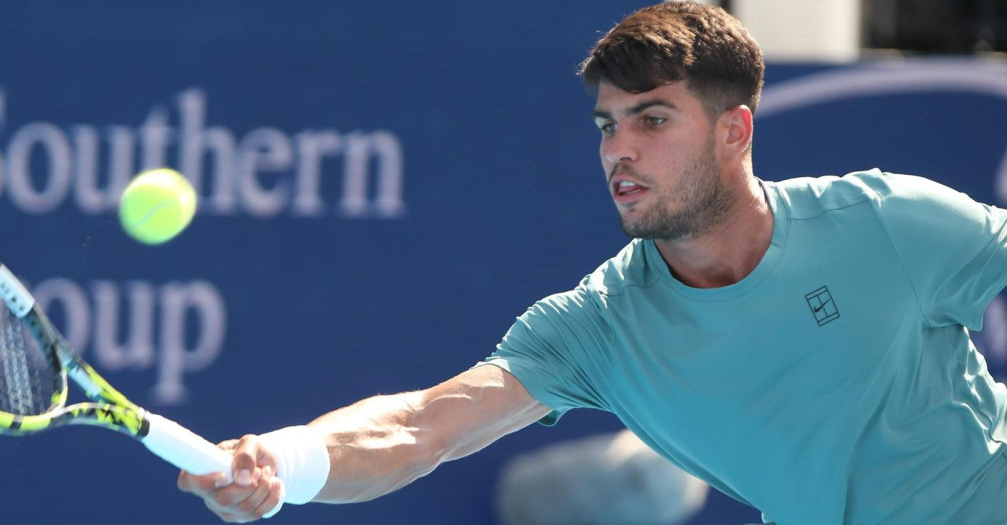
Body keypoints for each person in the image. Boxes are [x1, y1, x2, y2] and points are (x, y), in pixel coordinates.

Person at [178, 2, 1007, 523]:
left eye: (652, 119)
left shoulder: (881, 221)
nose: (619, 149)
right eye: (608, 126)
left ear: (735, 131)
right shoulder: (601, 329)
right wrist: (284, 460)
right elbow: (421, 426)